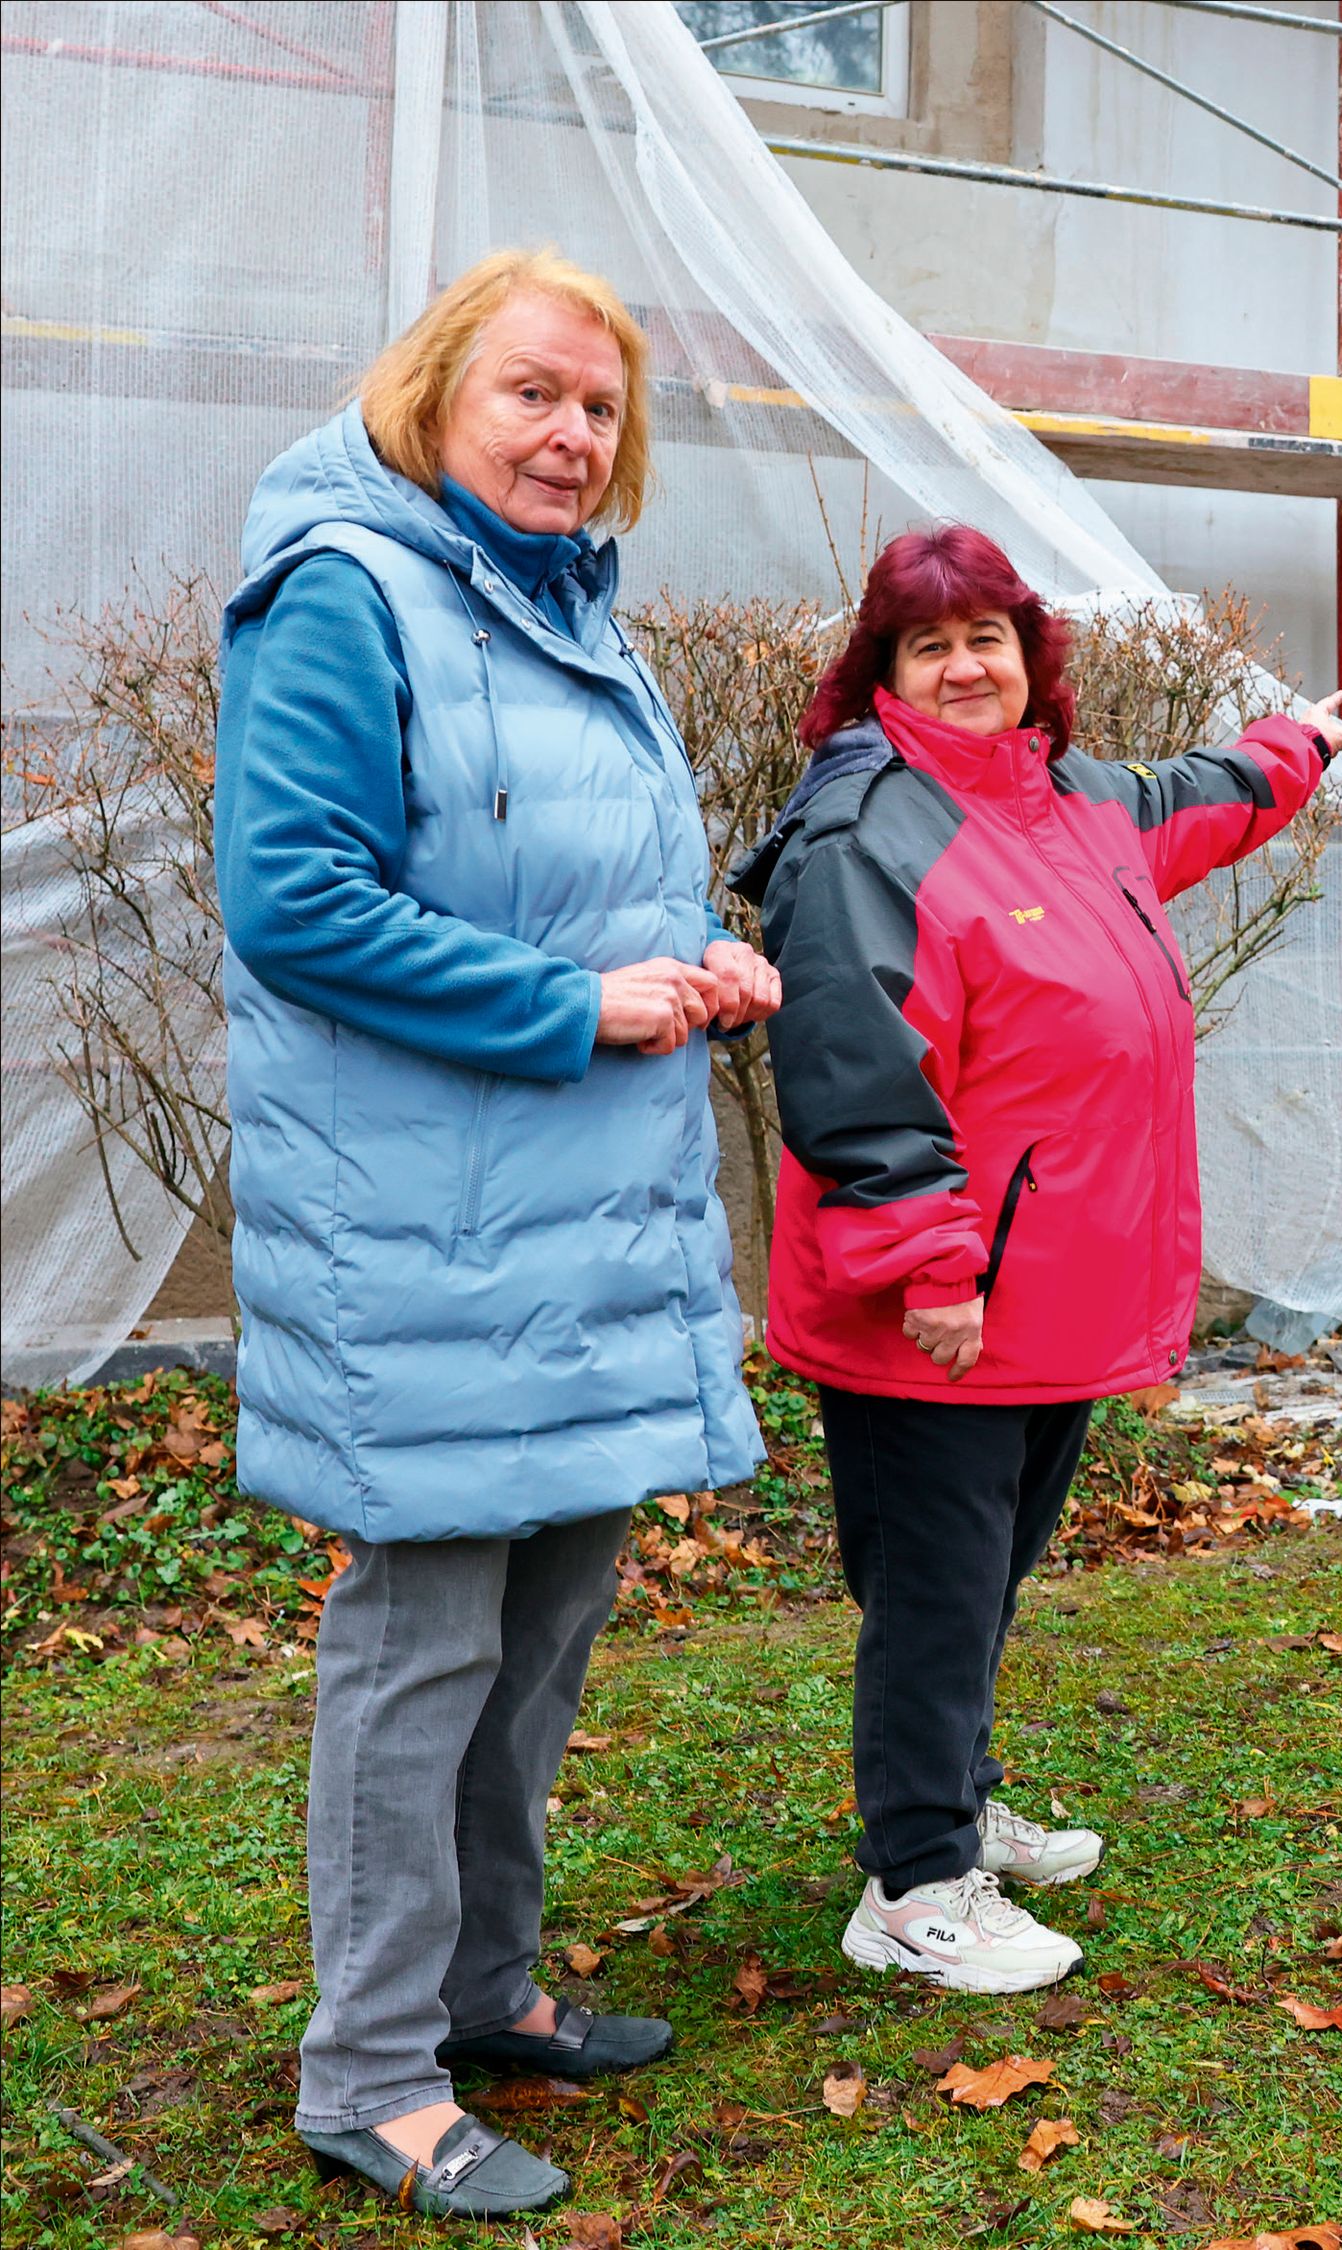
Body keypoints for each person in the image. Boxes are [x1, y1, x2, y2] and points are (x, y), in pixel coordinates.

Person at [218, 248, 777, 2219]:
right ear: (433, 393)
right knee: (425, 1644)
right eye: (533, 392)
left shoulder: (565, 616)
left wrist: (694, 955)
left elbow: (569, 893)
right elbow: (296, 901)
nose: (570, 434)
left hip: (583, 1224)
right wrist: (573, 1006)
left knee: (544, 1635)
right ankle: (369, 2073)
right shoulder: (345, 592)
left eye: (601, 407)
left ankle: (483, 1990)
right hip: (423, 1236)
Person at [731, 525, 1342, 1994]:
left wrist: (1298, 747)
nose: (964, 667)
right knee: (936, 1589)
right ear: (882, 672)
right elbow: (853, 1058)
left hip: (1045, 1297)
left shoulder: (1071, 799)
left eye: (987, 639)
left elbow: (1202, 798)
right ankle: (914, 1883)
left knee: (984, 1573)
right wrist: (930, 1262)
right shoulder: (865, 832)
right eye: (929, 645)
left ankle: (952, 1796)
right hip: (940, 1304)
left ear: (1029, 657)